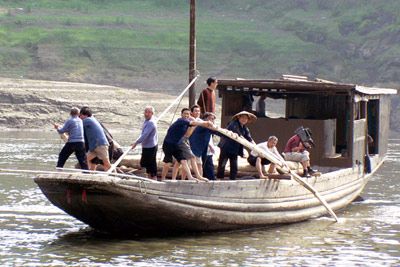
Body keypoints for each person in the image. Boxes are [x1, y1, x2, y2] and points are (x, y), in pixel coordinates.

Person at [161, 108, 213, 181]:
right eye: (185, 113)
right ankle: (162, 179)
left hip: (176, 144)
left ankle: (190, 177)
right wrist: (204, 123)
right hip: (168, 144)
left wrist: (197, 123)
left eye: (188, 114)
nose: (186, 115)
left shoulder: (188, 122)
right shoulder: (181, 121)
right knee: (168, 163)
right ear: (181, 114)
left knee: (183, 161)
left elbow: (188, 134)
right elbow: (193, 123)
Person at [217, 111, 256, 180]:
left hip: (235, 149)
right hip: (226, 147)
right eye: (243, 117)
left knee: (234, 166)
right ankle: (220, 179)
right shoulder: (233, 124)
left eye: (246, 118)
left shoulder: (245, 128)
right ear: (238, 117)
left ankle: (233, 180)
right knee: (222, 165)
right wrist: (245, 140)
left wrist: (255, 146)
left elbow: (249, 138)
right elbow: (238, 134)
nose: (244, 119)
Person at [172, 105, 203, 180]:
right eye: (195, 111)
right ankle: (182, 178)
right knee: (183, 161)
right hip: (182, 141)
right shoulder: (182, 120)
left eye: (198, 111)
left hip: (189, 142)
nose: (197, 112)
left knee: (184, 162)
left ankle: (196, 177)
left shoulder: (196, 120)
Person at [79, 106, 111, 171]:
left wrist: (62, 128)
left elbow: (77, 125)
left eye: (80, 115)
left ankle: (115, 175)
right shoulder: (92, 119)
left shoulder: (87, 120)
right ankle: (89, 173)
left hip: (101, 145)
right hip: (94, 147)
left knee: (106, 163)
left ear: (85, 115)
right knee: (86, 159)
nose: (80, 117)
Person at [131, 106, 158, 179]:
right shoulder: (148, 121)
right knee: (149, 163)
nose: (146, 114)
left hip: (150, 146)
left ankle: (152, 178)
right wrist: (137, 141)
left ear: (152, 113)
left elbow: (145, 135)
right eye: (145, 112)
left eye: (149, 112)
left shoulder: (150, 123)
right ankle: (150, 177)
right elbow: (143, 133)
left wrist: (136, 143)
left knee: (147, 164)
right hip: (147, 145)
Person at [189, 112, 217, 180]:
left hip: (201, 149)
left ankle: (201, 178)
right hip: (194, 148)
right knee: (188, 164)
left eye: (213, 119)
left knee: (200, 164)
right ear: (205, 119)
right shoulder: (202, 125)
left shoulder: (208, 126)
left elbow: (216, 131)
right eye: (210, 119)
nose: (211, 120)